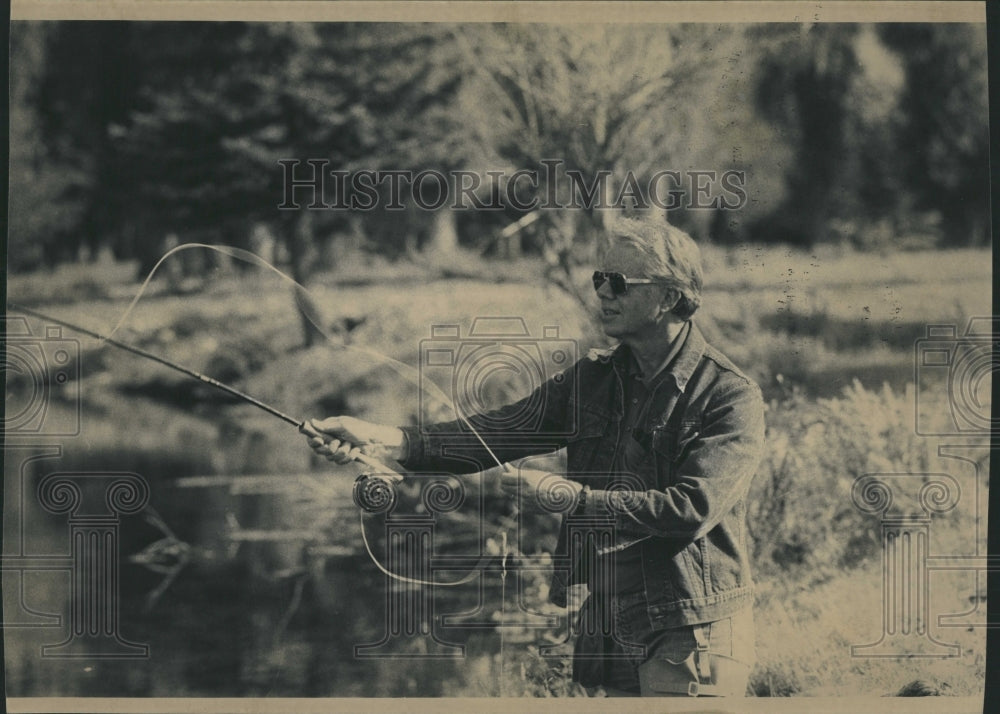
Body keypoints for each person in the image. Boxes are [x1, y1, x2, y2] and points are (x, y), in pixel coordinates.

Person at [302, 216, 765, 698]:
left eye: (619, 283)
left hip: (690, 629)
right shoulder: (592, 378)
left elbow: (690, 509)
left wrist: (570, 497)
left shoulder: (729, 396)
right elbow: (496, 432)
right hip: (606, 625)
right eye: (598, 279)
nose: (602, 293)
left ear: (670, 297)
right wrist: (381, 440)